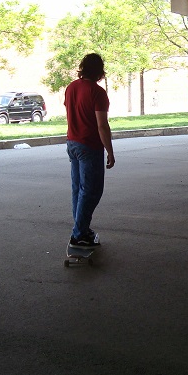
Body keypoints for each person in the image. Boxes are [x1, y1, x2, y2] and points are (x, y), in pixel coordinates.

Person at [64, 53, 115, 248]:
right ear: (99, 71)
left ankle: (82, 229)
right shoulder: (97, 92)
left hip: (72, 143)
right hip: (89, 145)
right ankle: (78, 234)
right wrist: (109, 151)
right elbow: (102, 125)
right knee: (92, 190)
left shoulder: (71, 88)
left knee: (78, 189)